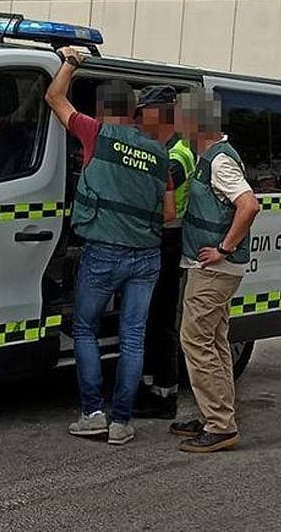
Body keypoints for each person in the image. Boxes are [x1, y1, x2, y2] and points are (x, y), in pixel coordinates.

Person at [44, 46, 176, 446]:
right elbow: (169, 214)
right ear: (135, 112)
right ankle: (121, 422)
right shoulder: (159, 154)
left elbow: (54, 98)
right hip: (146, 257)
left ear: (103, 110)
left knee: (84, 328)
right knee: (133, 336)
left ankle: (92, 414)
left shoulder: (96, 133)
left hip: (102, 252)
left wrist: (71, 61)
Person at [169, 90, 259, 453]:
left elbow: (249, 206)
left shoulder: (220, 161)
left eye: (179, 119)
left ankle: (220, 425)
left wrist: (224, 248)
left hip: (214, 270)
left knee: (195, 340)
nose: (175, 126)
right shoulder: (210, 156)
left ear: (196, 123)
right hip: (215, 269)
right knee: (216, 341)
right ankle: (216, 415)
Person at [133, 86, 196, 420]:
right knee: (148, 318)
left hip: (168, 241)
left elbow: (160, 197)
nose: (142, 118)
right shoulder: (164, 147)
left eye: (146, 112)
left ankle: (164, 396)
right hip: (158, 239)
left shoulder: (178, 154)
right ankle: (147, 388)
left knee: (160, 320)